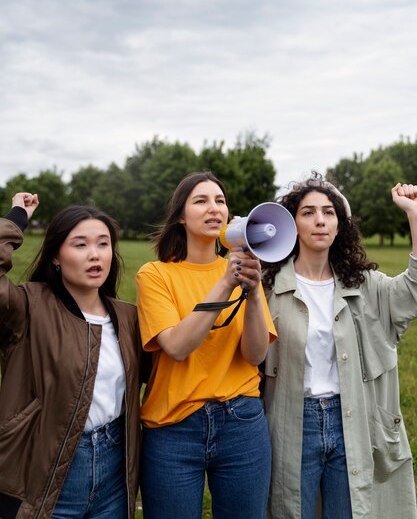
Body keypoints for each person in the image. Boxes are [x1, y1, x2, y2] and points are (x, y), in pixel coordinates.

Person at [262, 173, 417, 519]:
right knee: (291, 511)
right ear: (292, 224)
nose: (320, 220)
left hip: (350, 419)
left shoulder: (364, 285)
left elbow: (412, 293)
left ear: (339, 225)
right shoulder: (268, 287)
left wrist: (413, 214)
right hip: (292, 421)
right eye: (308, 212)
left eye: (329, 212)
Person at [136, 171, 277, 519]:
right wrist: (226, 283)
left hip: (241, 422)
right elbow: (178, 346)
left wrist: (255, 294)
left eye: (220, 201)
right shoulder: (155, 275)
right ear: (181, 216)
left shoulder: (243, 269)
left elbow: (256, 354)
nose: (214, 208)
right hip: (174, 429)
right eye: (201, 201)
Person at [0, 192, 143, 519]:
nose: (95, 255)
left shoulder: (129, 317)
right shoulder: (27, 307)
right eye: (80, 245)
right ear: (56, 257)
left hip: (114, 471)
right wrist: (16, 218)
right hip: (45, 470)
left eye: (103, 244)